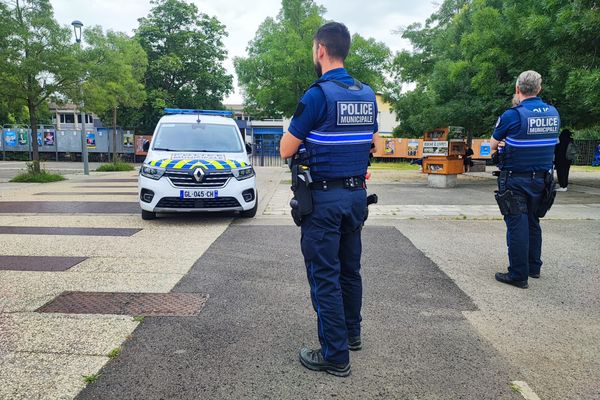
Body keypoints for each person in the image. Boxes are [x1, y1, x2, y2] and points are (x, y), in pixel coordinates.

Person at [280, 22, 378, 377]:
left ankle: (335, 355)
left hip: (323, 201)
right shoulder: (367, 94)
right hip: (356, 197)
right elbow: (374, 145)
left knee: (325, 276)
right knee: (350, 270)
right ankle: (352, 334)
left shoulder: (318, 95)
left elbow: (285, 148)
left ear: (320, 50)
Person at [490, 70, 560, 289]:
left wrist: (503, 145)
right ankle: (533, 267)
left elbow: (493, 144)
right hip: (542, 179)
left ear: (517, 89)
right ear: (539, 89)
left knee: (517, 224)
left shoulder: (513, 115)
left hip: (515, 179)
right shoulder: (553, 113)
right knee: (532, 222)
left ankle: (518, 274)